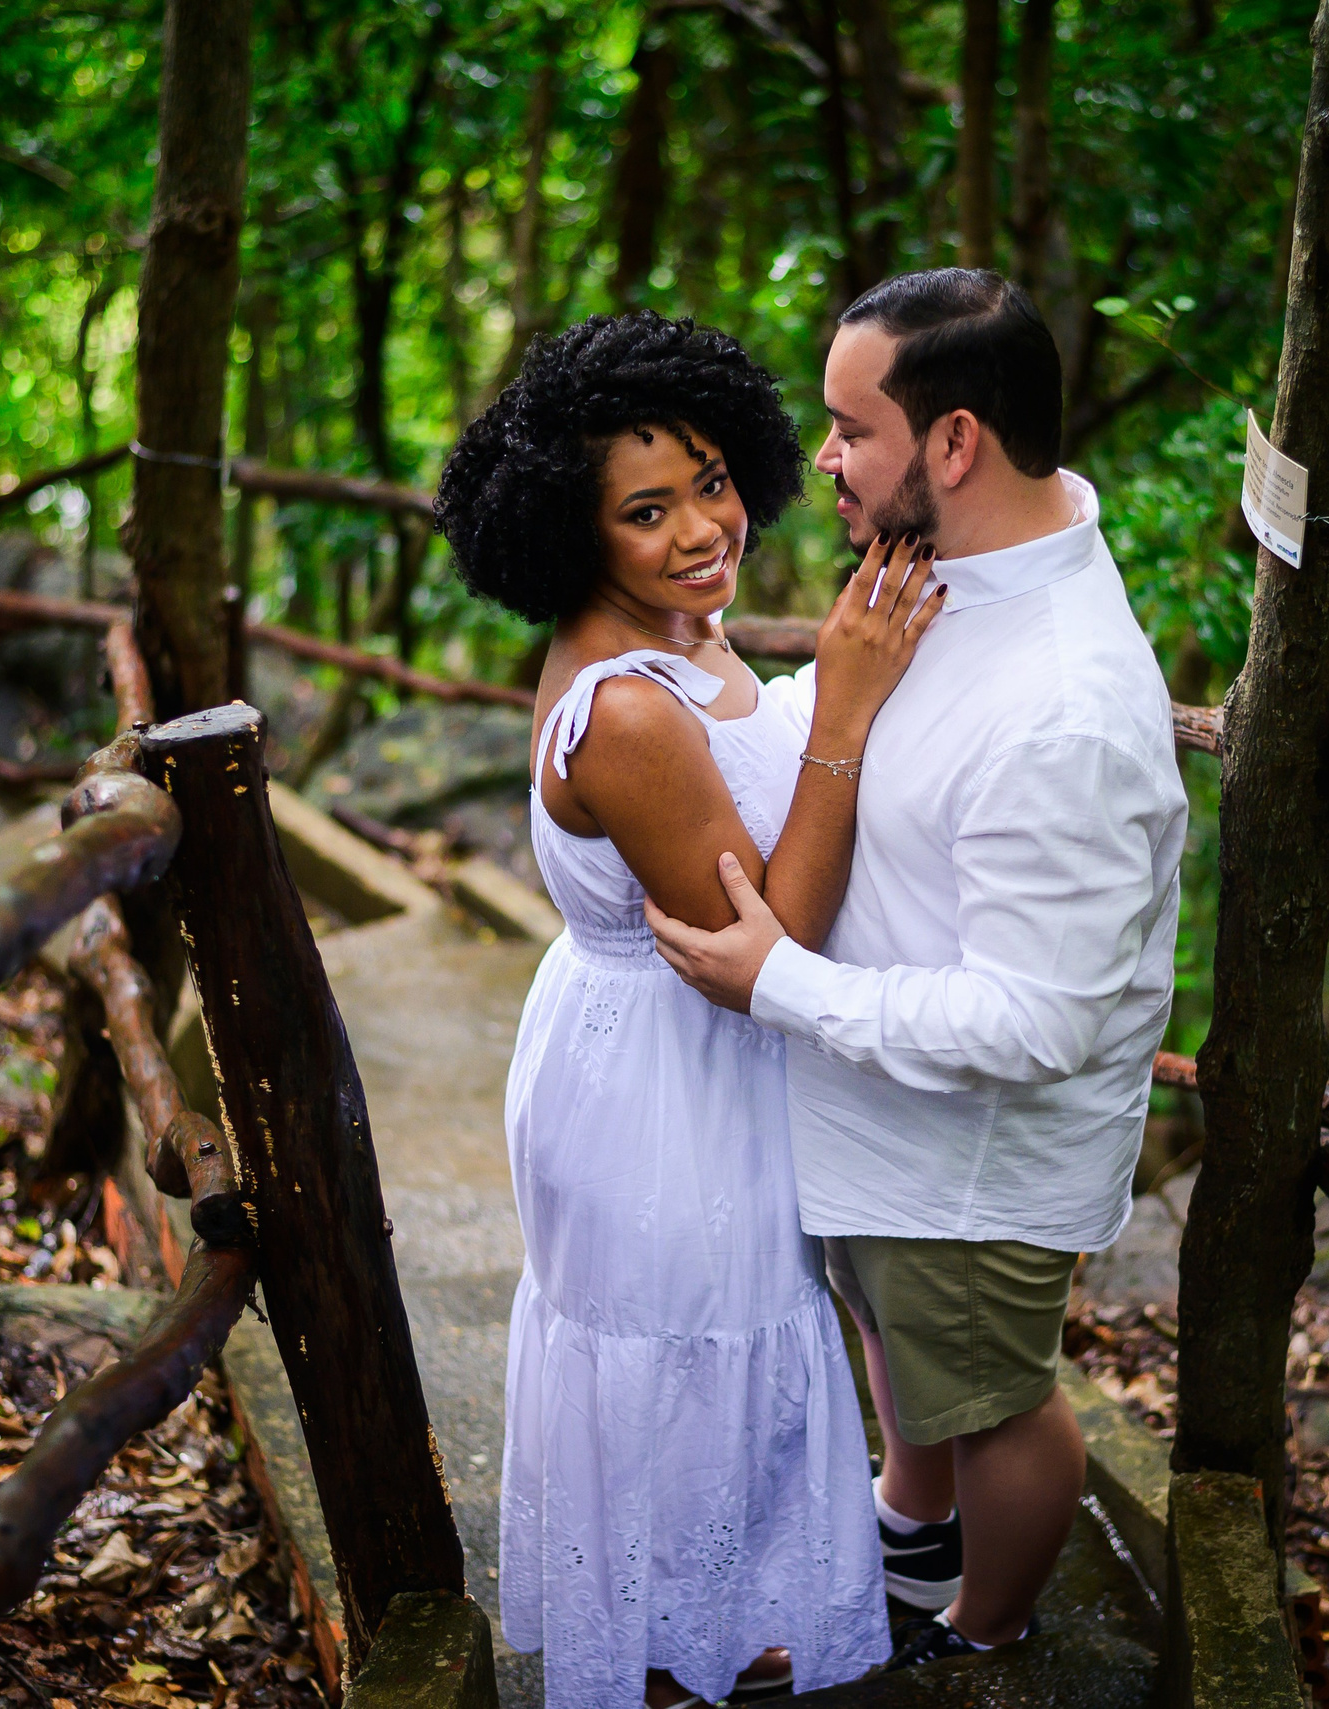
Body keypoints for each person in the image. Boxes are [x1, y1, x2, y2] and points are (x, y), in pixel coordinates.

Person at [648, 269, 1190, 1668]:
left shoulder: (1064, 709)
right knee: (903, 1350)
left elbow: (1042, 1019)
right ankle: (910, 1526)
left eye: (851, 429)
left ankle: (985, 1627)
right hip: (883, 1110)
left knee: (998, 1400)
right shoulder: (965, 561)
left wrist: (781, 979)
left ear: (954, 445)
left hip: (968, 1152)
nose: (823, 460)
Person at [435, 309, 946, 1708]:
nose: (701, 527)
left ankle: (729, 1619)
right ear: (572, 531)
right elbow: (762, 936)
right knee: (685, 1344)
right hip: (669, 1074)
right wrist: (842, 706)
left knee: (731, 1337)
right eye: (645, 510)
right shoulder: (629, 714)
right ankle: (674, 1653)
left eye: (714, 481)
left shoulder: (681, 637)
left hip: (679, 1049)